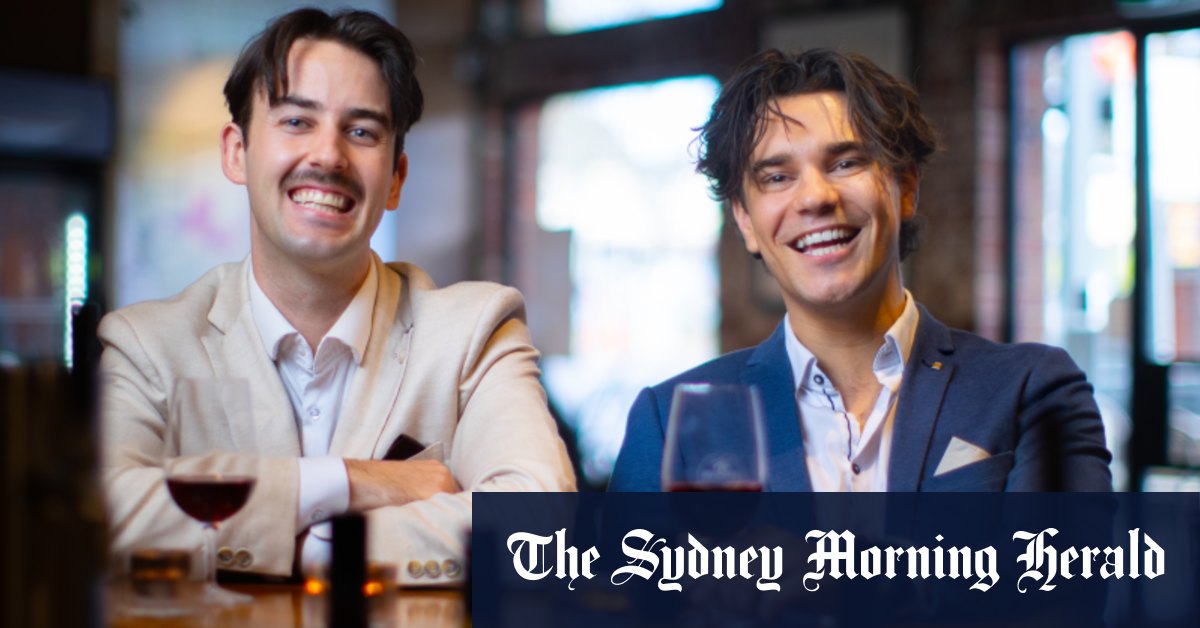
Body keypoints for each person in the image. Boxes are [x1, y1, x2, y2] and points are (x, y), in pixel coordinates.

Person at [100, 8, 575, 584]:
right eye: (297, 121)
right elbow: (105, 511)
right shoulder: (148, 345)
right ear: (236, 152)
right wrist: (349, 482)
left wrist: (318, 547)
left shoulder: (475, 333)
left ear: (395, 179)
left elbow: (543, 523)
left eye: (362, 132)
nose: (328, 156)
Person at [609, 48, 1111, 492]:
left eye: (845, 163)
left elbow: (1061, 570)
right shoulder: (669, 422)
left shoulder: (1031, 391)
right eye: (778, 177)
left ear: (906, 187)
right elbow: (633, 574)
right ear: (744, 220)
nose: (815, 197)